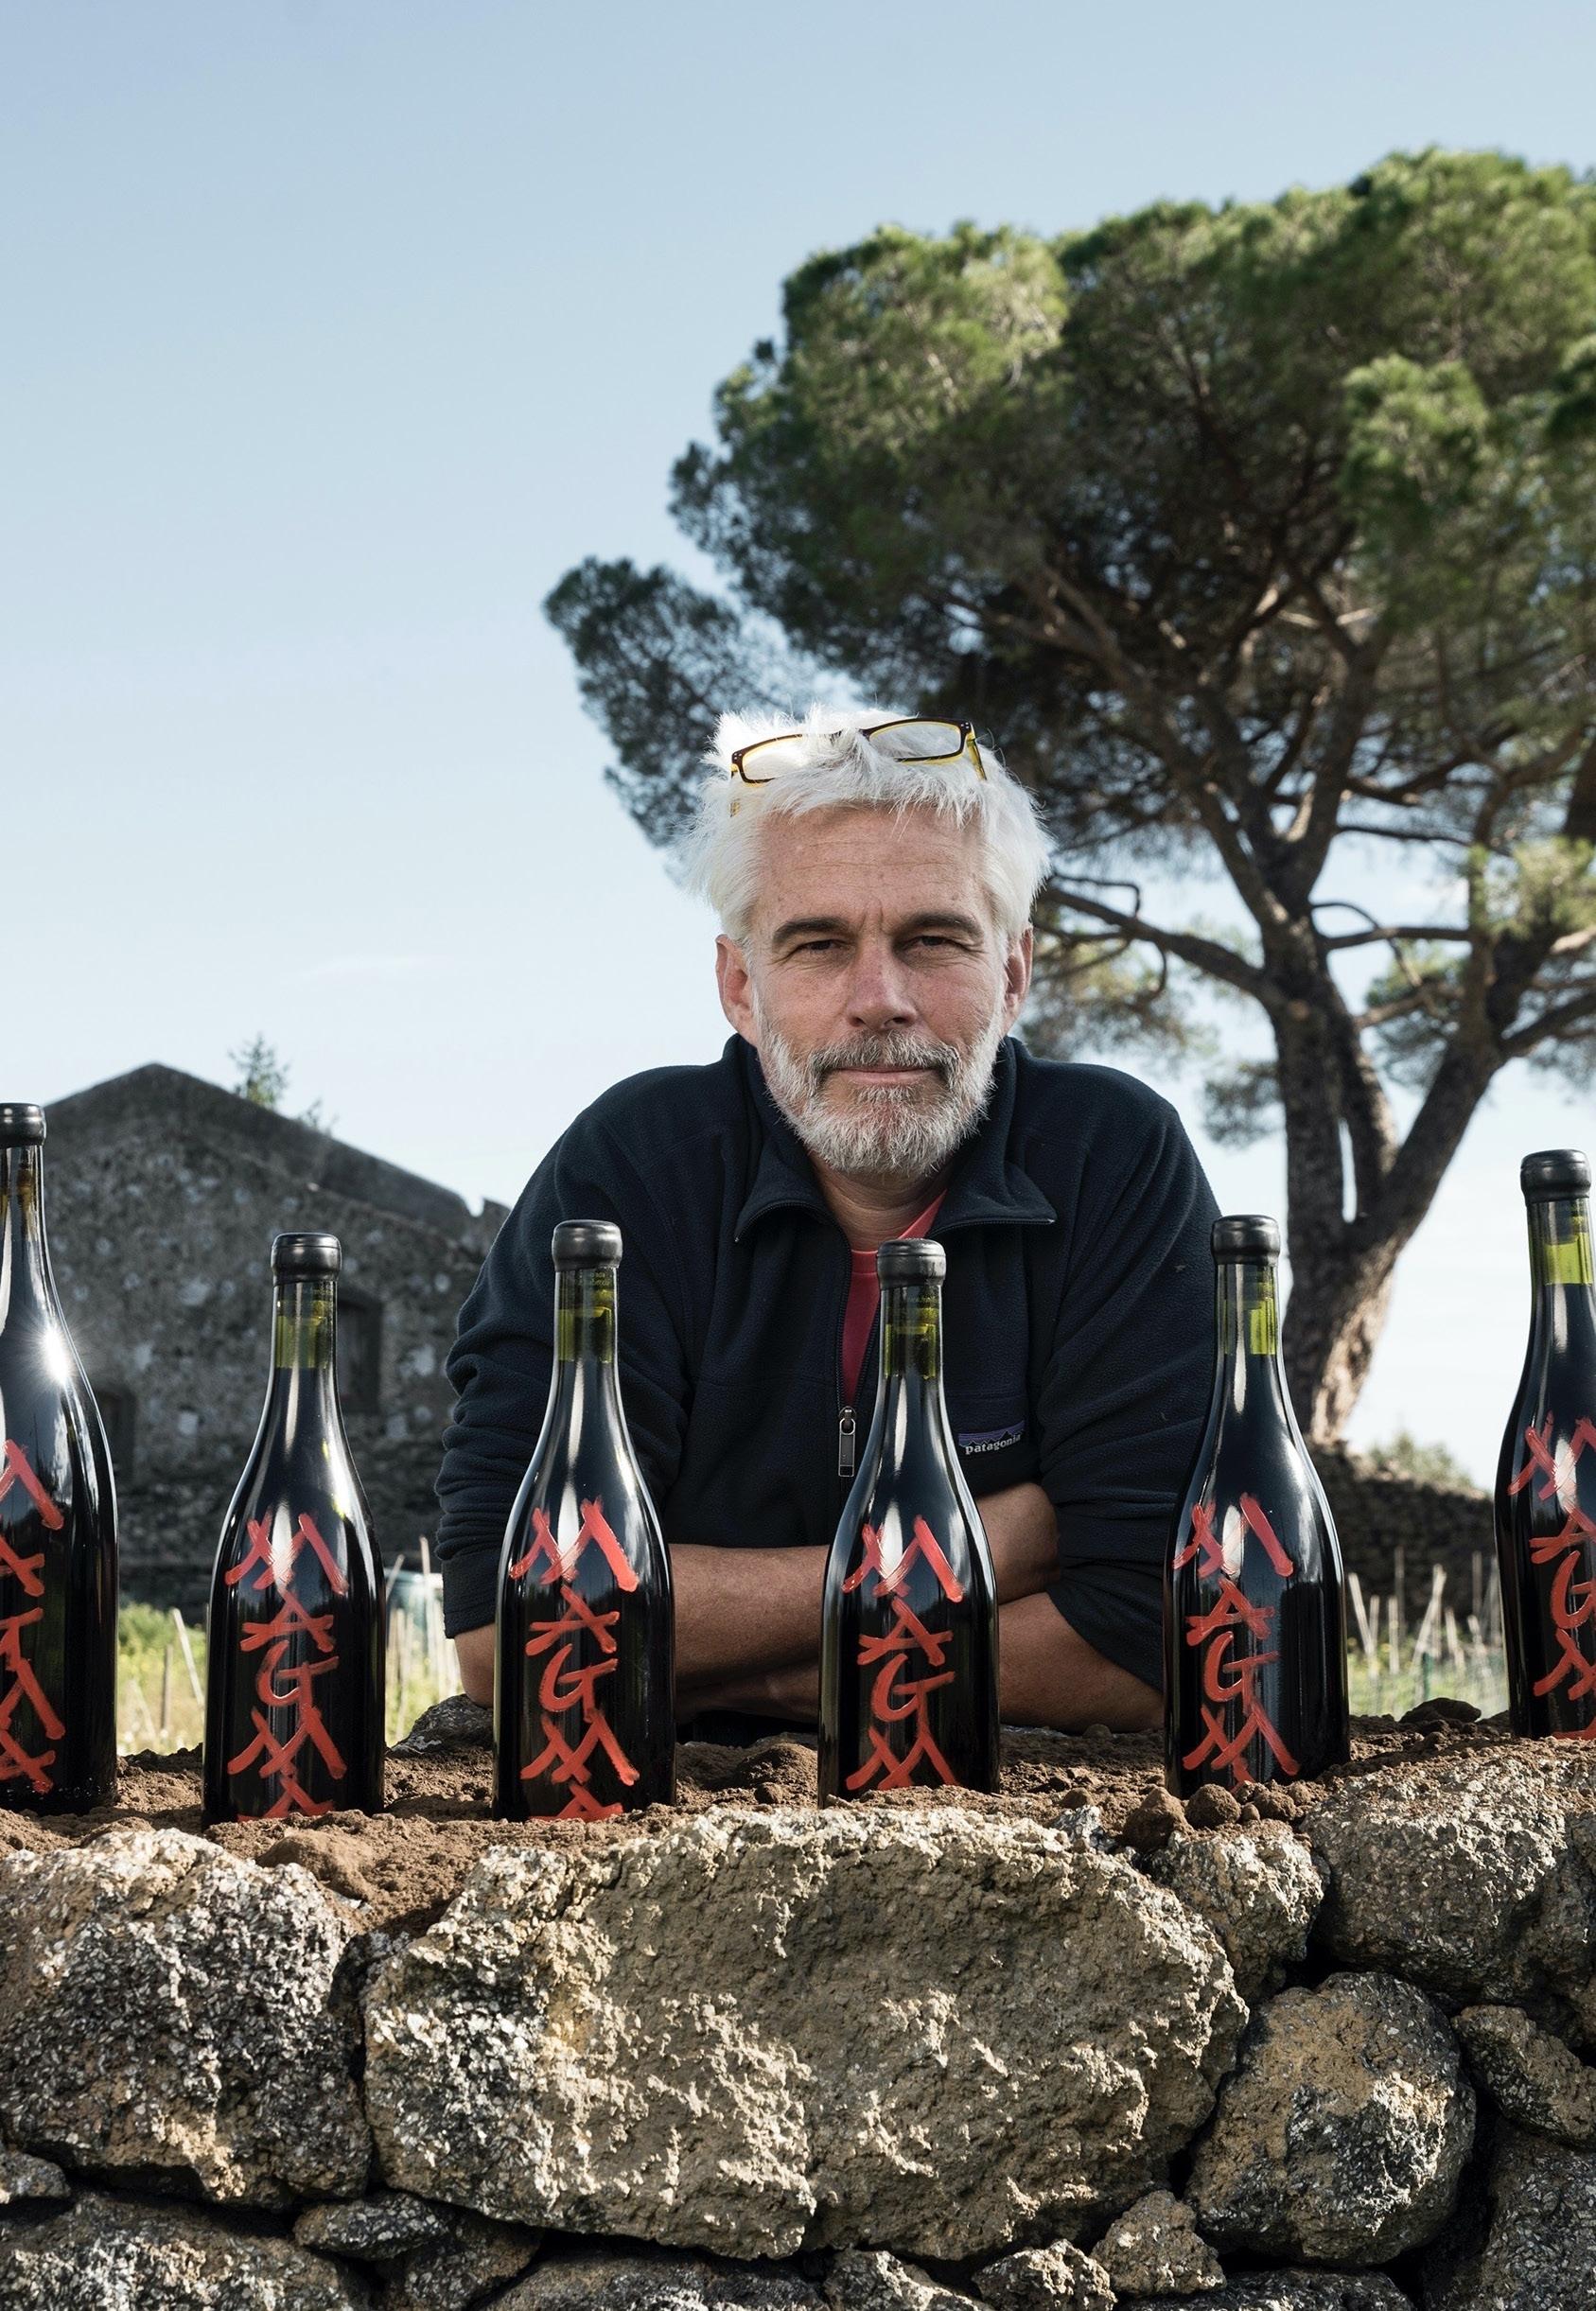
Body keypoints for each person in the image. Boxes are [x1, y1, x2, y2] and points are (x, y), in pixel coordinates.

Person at [436, 708, 1218, 1733]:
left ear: (1014, 974)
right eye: (817, 944)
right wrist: (985, 1544)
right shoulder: (631, 1169)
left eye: (933, 939)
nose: (878, 997)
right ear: (740, 986)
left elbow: (1152, 1636)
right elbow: (508, 1626)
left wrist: (740, 1681)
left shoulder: (1111, 1159)